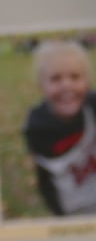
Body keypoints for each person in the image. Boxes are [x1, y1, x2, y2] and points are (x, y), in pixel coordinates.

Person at [21, 39, 96, 216]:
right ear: (42, 86)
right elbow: (44, 177)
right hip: (76, 209)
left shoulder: (92, 106)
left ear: (87, 82)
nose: (66, 85)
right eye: (55, 78)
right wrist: (59, 215)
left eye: (75, 77)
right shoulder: (37, 128)